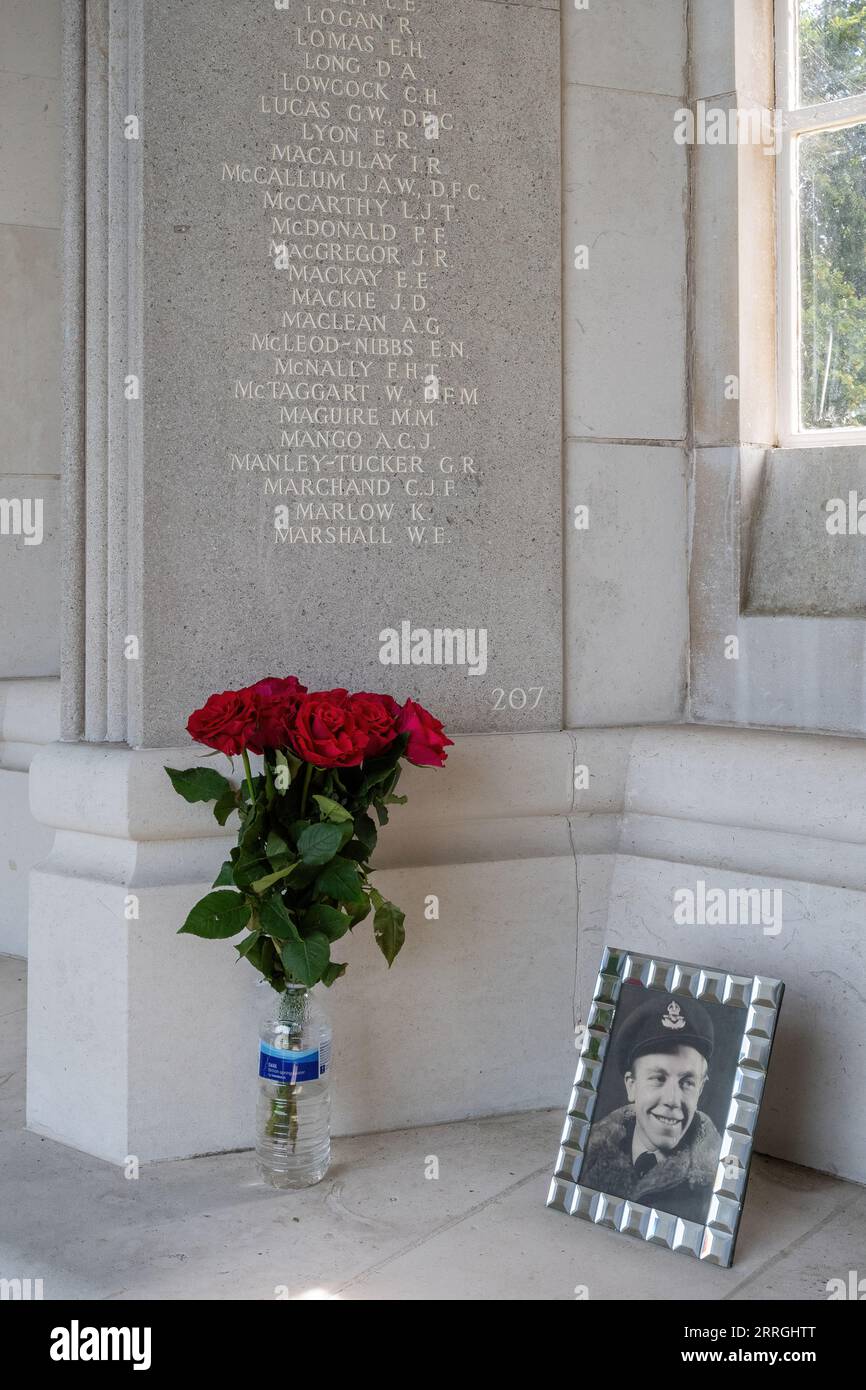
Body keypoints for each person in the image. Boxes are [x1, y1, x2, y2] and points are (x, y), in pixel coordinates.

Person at [579, 994, 723, 1224]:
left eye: (687, 1082)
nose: (673, 1100)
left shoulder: (717, 1182)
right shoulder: (587, 1158)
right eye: (658, 1078)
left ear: (701, 1089)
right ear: (632, 1086)